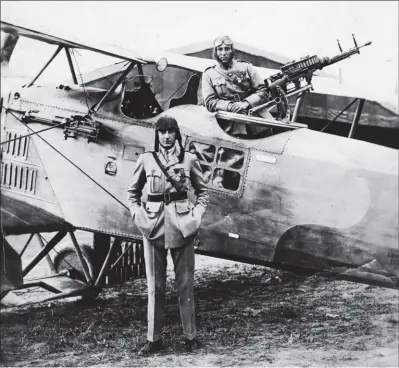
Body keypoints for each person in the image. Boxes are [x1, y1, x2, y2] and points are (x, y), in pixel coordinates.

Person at [127, 115, 209, 355]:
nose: (166, 136)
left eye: (170, 131)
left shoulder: (189, 159)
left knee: (185, 284)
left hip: (183, 226)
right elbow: (132, 193)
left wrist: (196, 215)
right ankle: (154, 339)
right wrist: (138, 216)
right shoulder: (146, 160)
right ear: (157, 135)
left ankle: (190, 336)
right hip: (153, 227)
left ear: (176, 134)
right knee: (155, 286)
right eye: (162, 132)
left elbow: (203, 192)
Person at [202, 35, 273, 137]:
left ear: (232, 50)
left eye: (227, 49)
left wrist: (246, 103)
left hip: (256, 121)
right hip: (229, 125)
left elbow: (263, 91)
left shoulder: (247, 67)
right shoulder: (209, 74)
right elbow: (210, 102)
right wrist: (230, 106)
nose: (223, 53)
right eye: (220, 49)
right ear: (215, 52)